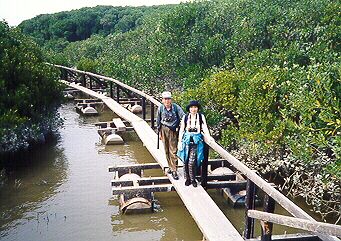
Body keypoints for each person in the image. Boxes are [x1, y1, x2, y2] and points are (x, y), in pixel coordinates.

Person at [177, 100, 212, 187]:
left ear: (198, 108)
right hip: (187, 141)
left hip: (196, 141)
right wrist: (179, 141)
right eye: (192, 107)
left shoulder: (201, 117)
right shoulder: (185, 117)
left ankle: (193, 179)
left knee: (192, 162)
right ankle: (187, 179)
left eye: (195, 107)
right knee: (185, 160)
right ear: (189, 109)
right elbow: (182, 130)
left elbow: (205, 128)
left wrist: (209, 137)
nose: (193, 109)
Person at [156, 91, 185, 180]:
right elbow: (158, 120)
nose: (167, 101)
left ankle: (174, 170)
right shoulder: (160, 108)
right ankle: (170, 167)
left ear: (171, 100)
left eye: (168, 99)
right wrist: (159, 132)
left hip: (173, 131)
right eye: (165, 99)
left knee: (173, 150)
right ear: (162, 100)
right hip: (163, 129)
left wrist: (182, 128)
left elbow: (183, 117)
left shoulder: (176, 107)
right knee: (166, 150)